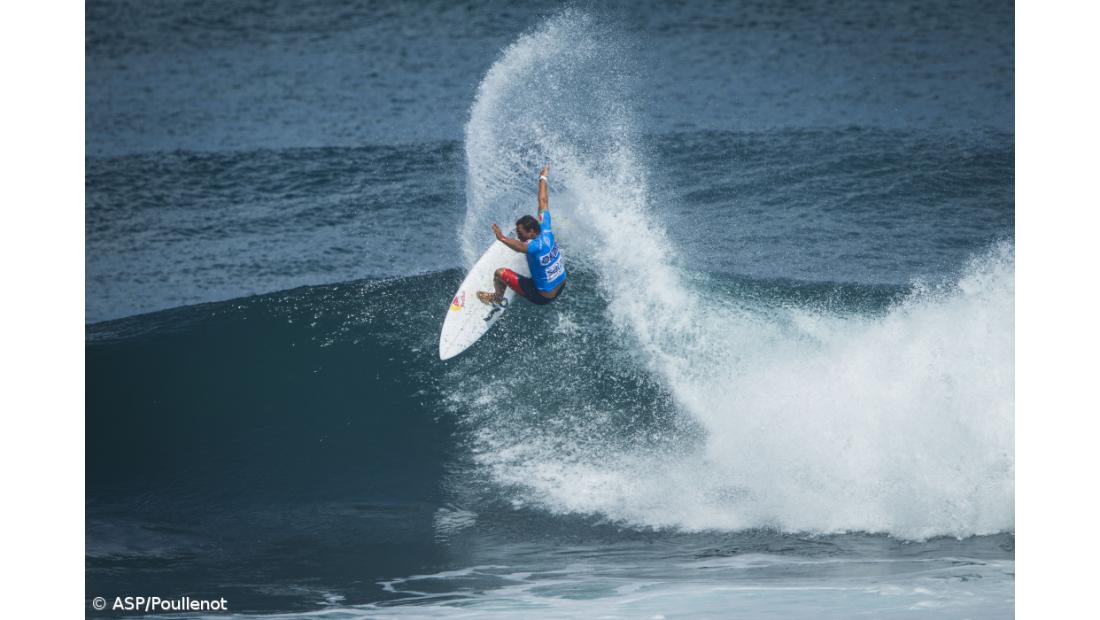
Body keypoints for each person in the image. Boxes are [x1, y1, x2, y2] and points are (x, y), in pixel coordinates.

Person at [478, 164, 567, 306]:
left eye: (520, 233)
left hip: (543, 297)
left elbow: (520, 247)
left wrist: (502, 238)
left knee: (499, 273)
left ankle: (497, 298)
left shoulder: (534, 246)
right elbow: (543, 200)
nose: (518, 235)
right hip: (561, 284)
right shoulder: (546, 228)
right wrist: (543, 177)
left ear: (531, 231)